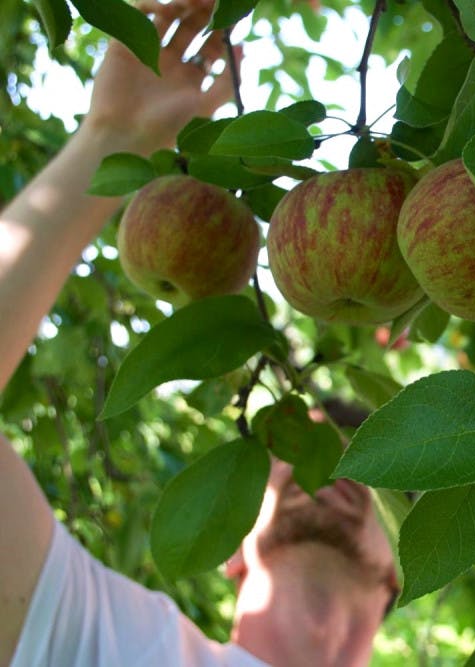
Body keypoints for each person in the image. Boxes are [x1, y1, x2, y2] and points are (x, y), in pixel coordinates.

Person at [0, 1, 398, 665]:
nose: (325, 461)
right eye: (294, 444)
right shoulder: (117, 644)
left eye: (365, 458)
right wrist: (111, 136)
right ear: (230, 542)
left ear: (405, 557)